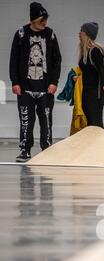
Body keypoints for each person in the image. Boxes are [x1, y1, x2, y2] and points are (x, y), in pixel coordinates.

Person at [9, 2, 62, 163]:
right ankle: (25, 149)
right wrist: (15, 82)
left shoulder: (50, 34)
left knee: (46, 119)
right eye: (41, 20)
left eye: (45, 20)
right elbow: (14, 60)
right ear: (33, 20)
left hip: (46, 87)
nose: (44, 23)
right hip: (25, 87)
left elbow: (57, 60)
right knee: (26, 119)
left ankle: (47, 148)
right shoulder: (20, 34)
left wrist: (54, 82)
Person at [77, 22, 104, 128]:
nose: (79, 33)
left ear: (87, 34)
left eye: (81, 30)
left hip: (95, 93)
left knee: (96, 122)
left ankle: (100, 144)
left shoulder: (95, 51)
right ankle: (94, 143)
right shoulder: (85, 51)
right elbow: (89, 72)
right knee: (90, 122)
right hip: (87, 90)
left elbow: (101, 70)